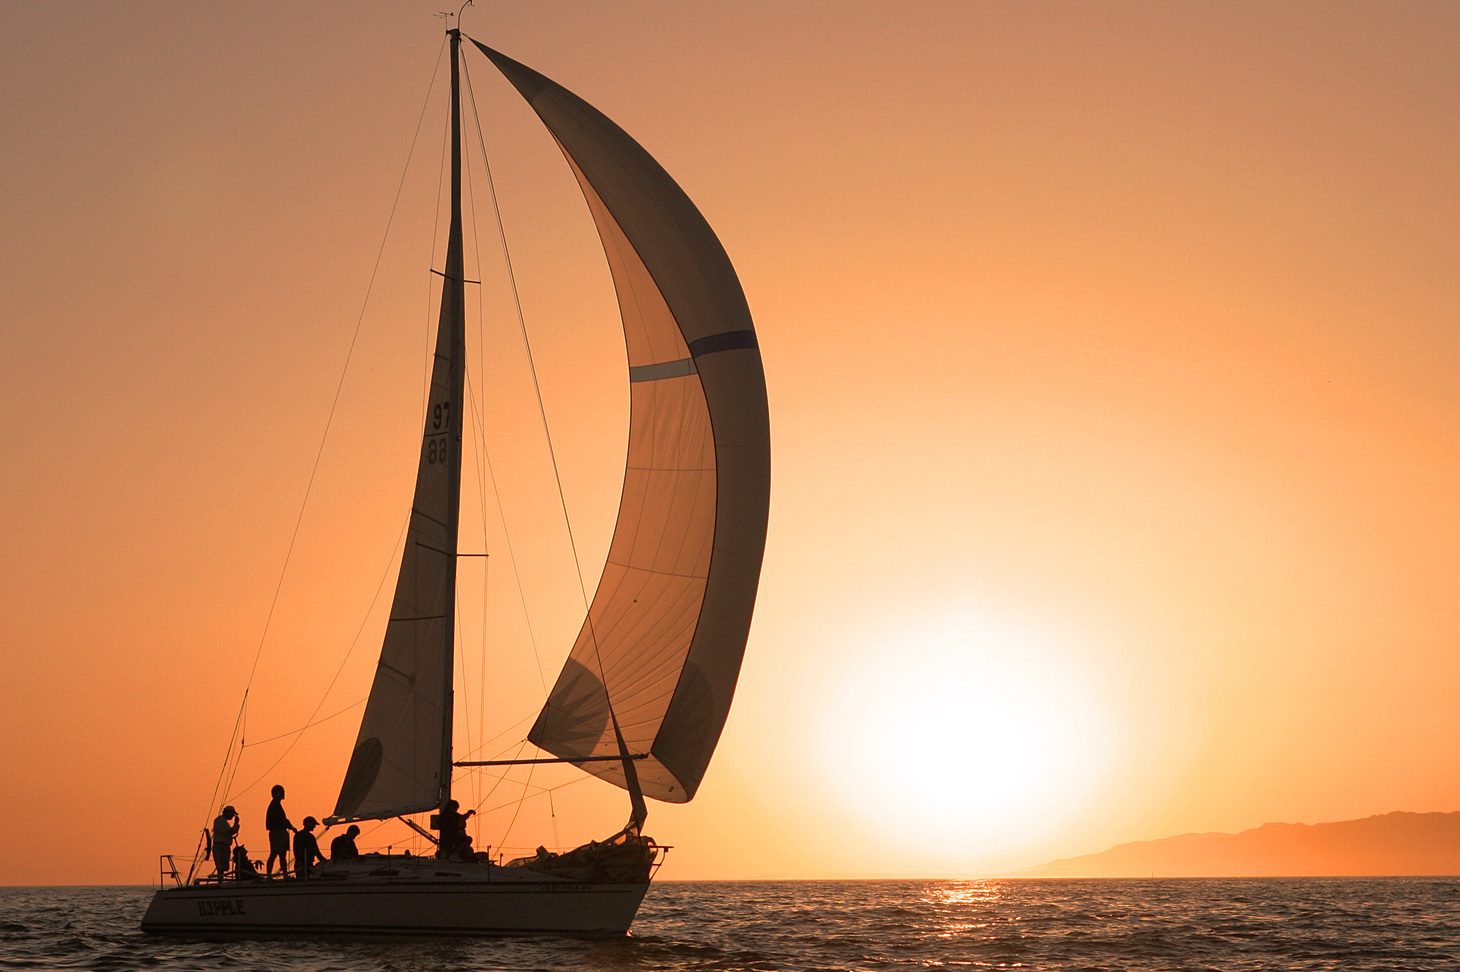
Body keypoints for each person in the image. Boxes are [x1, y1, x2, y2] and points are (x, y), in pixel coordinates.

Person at [264, 784, 296, 878]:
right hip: (277, 833)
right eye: (281, 792)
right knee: (275, 853)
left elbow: (283, 820)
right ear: (275, 794)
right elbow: (281, 820)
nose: (284, 793)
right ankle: (271, 875)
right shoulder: (274, 806)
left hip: (280, 832)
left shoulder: (276, 805)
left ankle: (284, 874)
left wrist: (290, 827)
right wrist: (290, 827)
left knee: (281, 855)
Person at [211, 806, 239, 880]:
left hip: (224, 846)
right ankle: (220, 881)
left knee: (223, 867)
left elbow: (231, 832)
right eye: (232, 814)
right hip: (220, 846)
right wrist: (236, 824)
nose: (233, 816)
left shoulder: (222, 821)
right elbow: (231, 831)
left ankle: (221, 881)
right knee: (221, 867)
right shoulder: (220, 821)